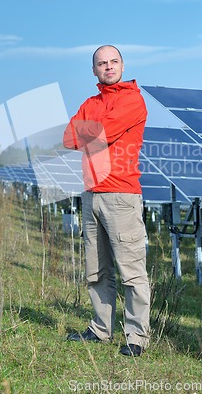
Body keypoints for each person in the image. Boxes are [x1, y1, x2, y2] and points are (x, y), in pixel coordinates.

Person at [63, 45, 150, 357]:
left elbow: (106, 132)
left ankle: (136, 338)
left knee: (131, 270)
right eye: (102, 63)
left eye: (114, 62)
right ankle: (100, 329)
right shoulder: (90, 102)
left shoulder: (132, 100)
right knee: (96, 270)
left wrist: (91, 131)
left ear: (123, 66)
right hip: (91, 195)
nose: (108, 67)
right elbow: (68, 137)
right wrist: (92, 132)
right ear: (94, 70)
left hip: (121, 195)